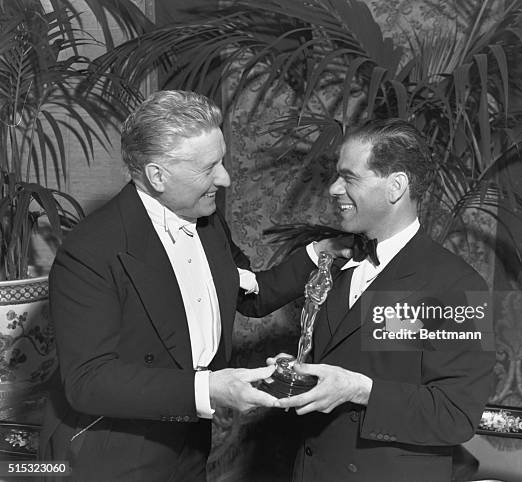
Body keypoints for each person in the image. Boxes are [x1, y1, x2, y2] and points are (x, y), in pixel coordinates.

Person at [39, 90, 345, 481]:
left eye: (222, 161)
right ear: (157, 176)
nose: (225, 177)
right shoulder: (89, 251)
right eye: (209, 168)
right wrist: (210, 389)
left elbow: (251, 294)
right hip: (112, 452)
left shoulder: (208, 220)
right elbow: (89, 382)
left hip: (189, 442)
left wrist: (321, 251)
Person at [274, 119, 495, 482]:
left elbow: (456, 414)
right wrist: (303, 371)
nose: (333, 188)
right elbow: (350, 358)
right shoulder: (339, 263)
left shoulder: (456, 284)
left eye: (350, 177)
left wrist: (361, 390)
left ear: (396, 186)